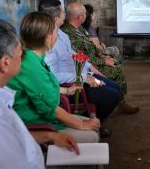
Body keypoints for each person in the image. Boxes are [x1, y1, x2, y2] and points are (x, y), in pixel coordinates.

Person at [0, 18, 79, 169]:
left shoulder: (0, 99)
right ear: (5, 63)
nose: (24, 55)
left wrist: (49, 136)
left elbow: (15, 137)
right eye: (19, 53)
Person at [7, 12, 101, 143]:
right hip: (35, 124)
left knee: (94, 125)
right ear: (48, 37)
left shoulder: (34, 58)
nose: (57, 35)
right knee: (92, 134)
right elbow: (50, 109)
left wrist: (66, 91)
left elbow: (38, 89)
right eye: (55, 31)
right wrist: (81, 125)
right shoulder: (31, 66)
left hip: (44, 117)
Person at [39, 0, 121, 123]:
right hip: (72, 85)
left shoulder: (61, 34)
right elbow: (54, 77)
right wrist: (83, 78)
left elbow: (73, 54)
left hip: (82, 75)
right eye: (63, 13)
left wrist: (90, 68)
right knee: (113, 96)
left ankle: (91, 119)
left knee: (116, 88)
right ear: (56, 19)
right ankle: (90, 121)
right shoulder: (48, 43)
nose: (65, 16)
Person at [62, 2, 139, 114]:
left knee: (116, 61)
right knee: (117, 68)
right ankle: (117, 102)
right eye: (84, 14)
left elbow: (91, 46)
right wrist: (102, 61)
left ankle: (119, 100)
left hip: (94, 61)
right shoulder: (67, 33)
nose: (86, 16)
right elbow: (80, 58)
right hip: (87, 68)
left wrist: (102, 55)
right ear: (80, 17)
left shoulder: (79, 29)